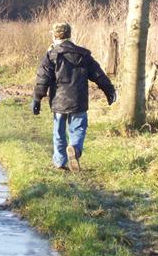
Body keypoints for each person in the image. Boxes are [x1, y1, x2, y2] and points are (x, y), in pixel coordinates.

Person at [32, 22, 116, 171]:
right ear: (69, 35)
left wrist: (37, 98)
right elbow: (98, 74)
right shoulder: (83, 55)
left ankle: (60, 162)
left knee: (59, 132)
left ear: (54, 36)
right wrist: (109, 90)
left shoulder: (51, 55)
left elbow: (43, 78)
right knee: (78, 129)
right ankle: (75, 150)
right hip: (78, 100)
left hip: (59, 101)